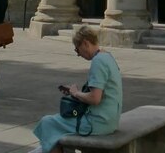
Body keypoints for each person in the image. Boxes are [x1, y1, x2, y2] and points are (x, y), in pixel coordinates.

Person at [31, 25, 122, 153]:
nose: (78, 54)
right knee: (59, 128)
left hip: (98, 123)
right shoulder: (108, 57)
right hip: (110, 120)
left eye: (77, 50)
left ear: (85, 43)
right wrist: (76, 93)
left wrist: (76, 93)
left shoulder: (98, 61)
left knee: (48, 122)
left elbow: (95, 98)